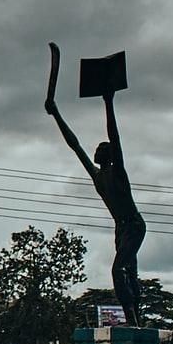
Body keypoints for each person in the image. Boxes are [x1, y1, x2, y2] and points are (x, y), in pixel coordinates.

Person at [44, 43, 148, 326]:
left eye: (102, 149)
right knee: (130, 271)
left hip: (134, 224)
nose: (96, 150)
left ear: (109, 155)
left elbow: (113, 134)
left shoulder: (118, 172)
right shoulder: (97, 175)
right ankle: (137, 316)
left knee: (119, 270)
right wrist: (56, 115)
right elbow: (74, 144)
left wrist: (108, 102)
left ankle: (132, 318)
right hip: (121, 227)